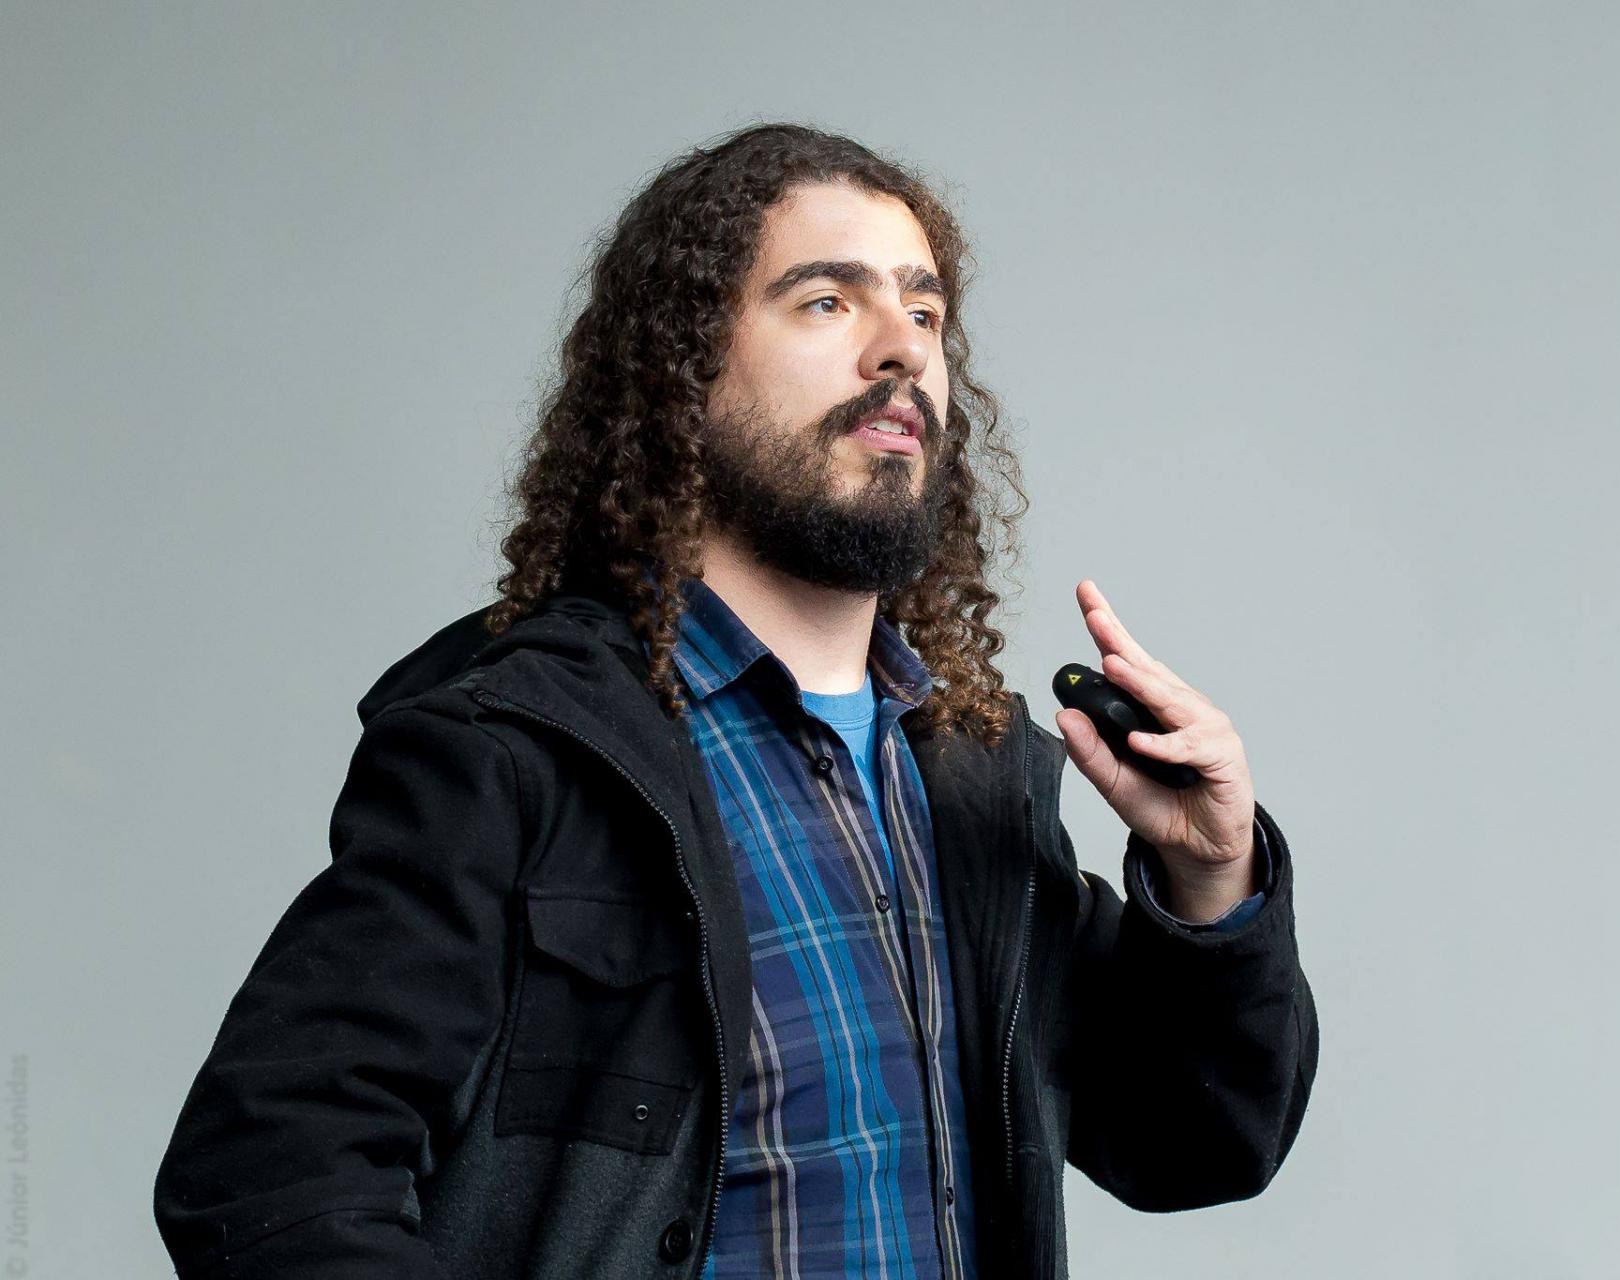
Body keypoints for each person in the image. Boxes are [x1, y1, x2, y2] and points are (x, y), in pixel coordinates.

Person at [152, 122, 1319, 1280]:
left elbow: (1196, 1139)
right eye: (828, 301)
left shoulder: (974, 770)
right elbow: (265, 1179)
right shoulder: (521, 749)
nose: (901, 350)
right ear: (683, 374)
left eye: (924, 312)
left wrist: (1210, 879)